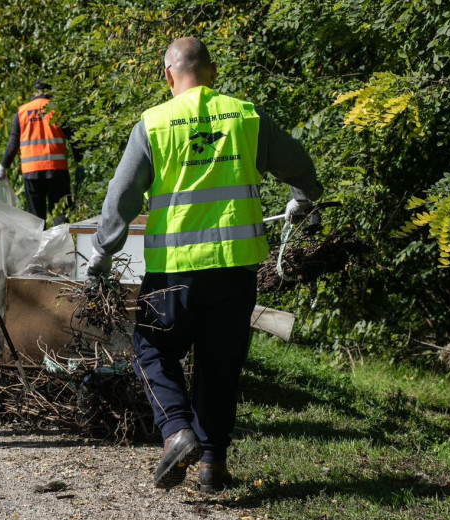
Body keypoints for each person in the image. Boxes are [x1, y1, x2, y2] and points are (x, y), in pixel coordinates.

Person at [87, 37, 323, 491]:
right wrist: (304, 198)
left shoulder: (154, 124)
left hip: (176, 271)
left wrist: (102, 250)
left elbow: (123, 195)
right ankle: (213, 464)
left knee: (152, 348)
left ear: (168, 76)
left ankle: (176, 430)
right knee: (220, 364)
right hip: (236, 270)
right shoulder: (245, 117)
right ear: (212, 73)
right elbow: (295, 161)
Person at [0, 79, 83, 225]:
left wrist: (3, 167)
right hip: (57, 170)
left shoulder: (22, 111)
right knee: (60, 214)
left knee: (35, 218)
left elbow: (13, 142)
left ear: (35, 91)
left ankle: (38, 247)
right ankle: (62, 247)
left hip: (32, 171)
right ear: (50, 92)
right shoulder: (58, 109)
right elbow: (74, 139)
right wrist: (80, 163)